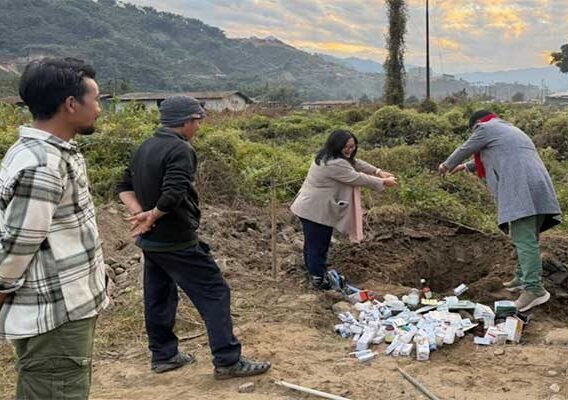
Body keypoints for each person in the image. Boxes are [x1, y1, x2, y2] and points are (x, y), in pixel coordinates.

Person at [117, 95, 271, 380]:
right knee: (215, 292)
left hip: (151, 241)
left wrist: (142, 214)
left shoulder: (144, 146)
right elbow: (174, 193)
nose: (199, 126)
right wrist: (152, 215)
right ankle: (227, 360)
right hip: (176, 238)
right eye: (198, 120)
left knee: (159, 296)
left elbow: (123, 186)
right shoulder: (180, 149)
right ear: (187, 121)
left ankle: (164, 356)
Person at [0, 58, 109, 399]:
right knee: (57, 389)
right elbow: (17, 245)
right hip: (56, 312)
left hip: (66, 305)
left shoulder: (45, 152)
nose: (100, 109)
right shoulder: (42, 165)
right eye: (97, 100)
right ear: (71, 104)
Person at [438, 110, 561, 312]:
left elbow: (466, 148)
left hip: (521, 187)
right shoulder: (507, 128)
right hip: (538, 186)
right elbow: (499, 155)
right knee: (527, 236)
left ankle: (534, 290)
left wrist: (446, 165)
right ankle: (522, 278)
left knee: (524, 239)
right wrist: (466, 168)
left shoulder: (485, 128)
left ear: (476, 124)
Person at [290, 130, 397, 290]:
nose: (350, 150)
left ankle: (315, 273)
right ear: (336, 145)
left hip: (311, 208)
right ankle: (319, 279)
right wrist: (383, 182)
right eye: (346, 147)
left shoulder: (329, 156)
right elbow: (357, 177)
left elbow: (356, 163)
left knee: (313, 244)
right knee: (318, 245)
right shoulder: (335, 164)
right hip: (315, 211)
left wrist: (377, 171)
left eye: (352, 146)